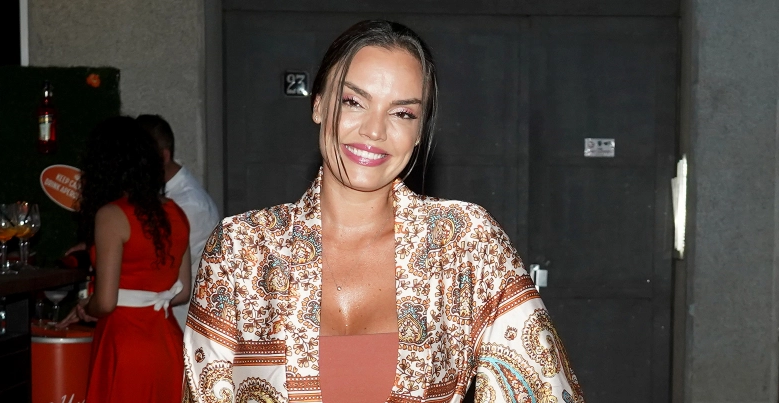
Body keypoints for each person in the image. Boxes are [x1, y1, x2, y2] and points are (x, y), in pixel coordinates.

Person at [183, 20, 585, 403]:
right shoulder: (242, 249)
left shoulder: (465, 243)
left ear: (419, 131)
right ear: (319, 104)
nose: (374, 130)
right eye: (354, 102)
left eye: (402, 113)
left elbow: (543, 387)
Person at [58, 116, 192, 403]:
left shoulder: (112, 215)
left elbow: (106, 302)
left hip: (126, 344)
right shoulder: (175, 213)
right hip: (168, 341)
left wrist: (85, 307)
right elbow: (182, 292)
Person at [135, 114, 221, 329]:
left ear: (163, 157)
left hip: (182, 324)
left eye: (137, 159)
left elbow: (159, 270)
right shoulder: (162, 194)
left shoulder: (189, 205)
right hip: (163, 317)